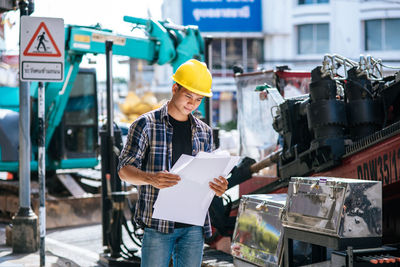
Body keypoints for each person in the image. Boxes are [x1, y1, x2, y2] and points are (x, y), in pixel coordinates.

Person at [118, 59, 229, 267]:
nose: (192, 104)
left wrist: (219, 187)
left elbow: (207, 176)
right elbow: (124, 170)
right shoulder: (145, 125)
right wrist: (150, 178)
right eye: (188, 96)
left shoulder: (204, 132)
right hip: (158, 226)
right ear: (174, 88)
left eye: (198, 100)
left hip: (194, 226)